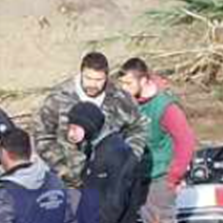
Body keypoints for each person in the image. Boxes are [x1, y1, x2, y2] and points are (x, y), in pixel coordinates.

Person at [118, 58, 196, 223]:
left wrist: (174, 177)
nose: (124, 88)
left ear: (144, 80)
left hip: (158, 178)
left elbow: (186, 142)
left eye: (129, 83)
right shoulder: (128, 102)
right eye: (122, 83)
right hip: (132, 175)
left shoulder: (165, 107)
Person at [34, 51, 148, 188]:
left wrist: (130, 160)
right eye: (88, 78)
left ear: (106, 76)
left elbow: (138, 127)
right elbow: (43, 136)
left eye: (99, 80)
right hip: (69, 184)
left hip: (110, 182)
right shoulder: (60, 98)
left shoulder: (120, 98)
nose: (93, 84)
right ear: (81, 73)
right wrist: (64, 169)